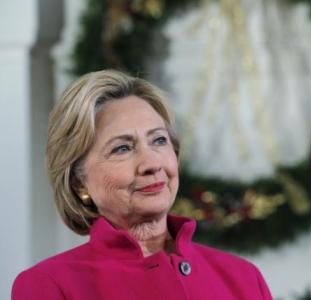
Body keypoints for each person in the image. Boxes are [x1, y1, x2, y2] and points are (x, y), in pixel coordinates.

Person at [12, 70, 273, 300]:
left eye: (159, 140)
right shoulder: (49, 286)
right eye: (122, 148)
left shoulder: (244, 279)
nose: (151, 164)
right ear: (79, 182)